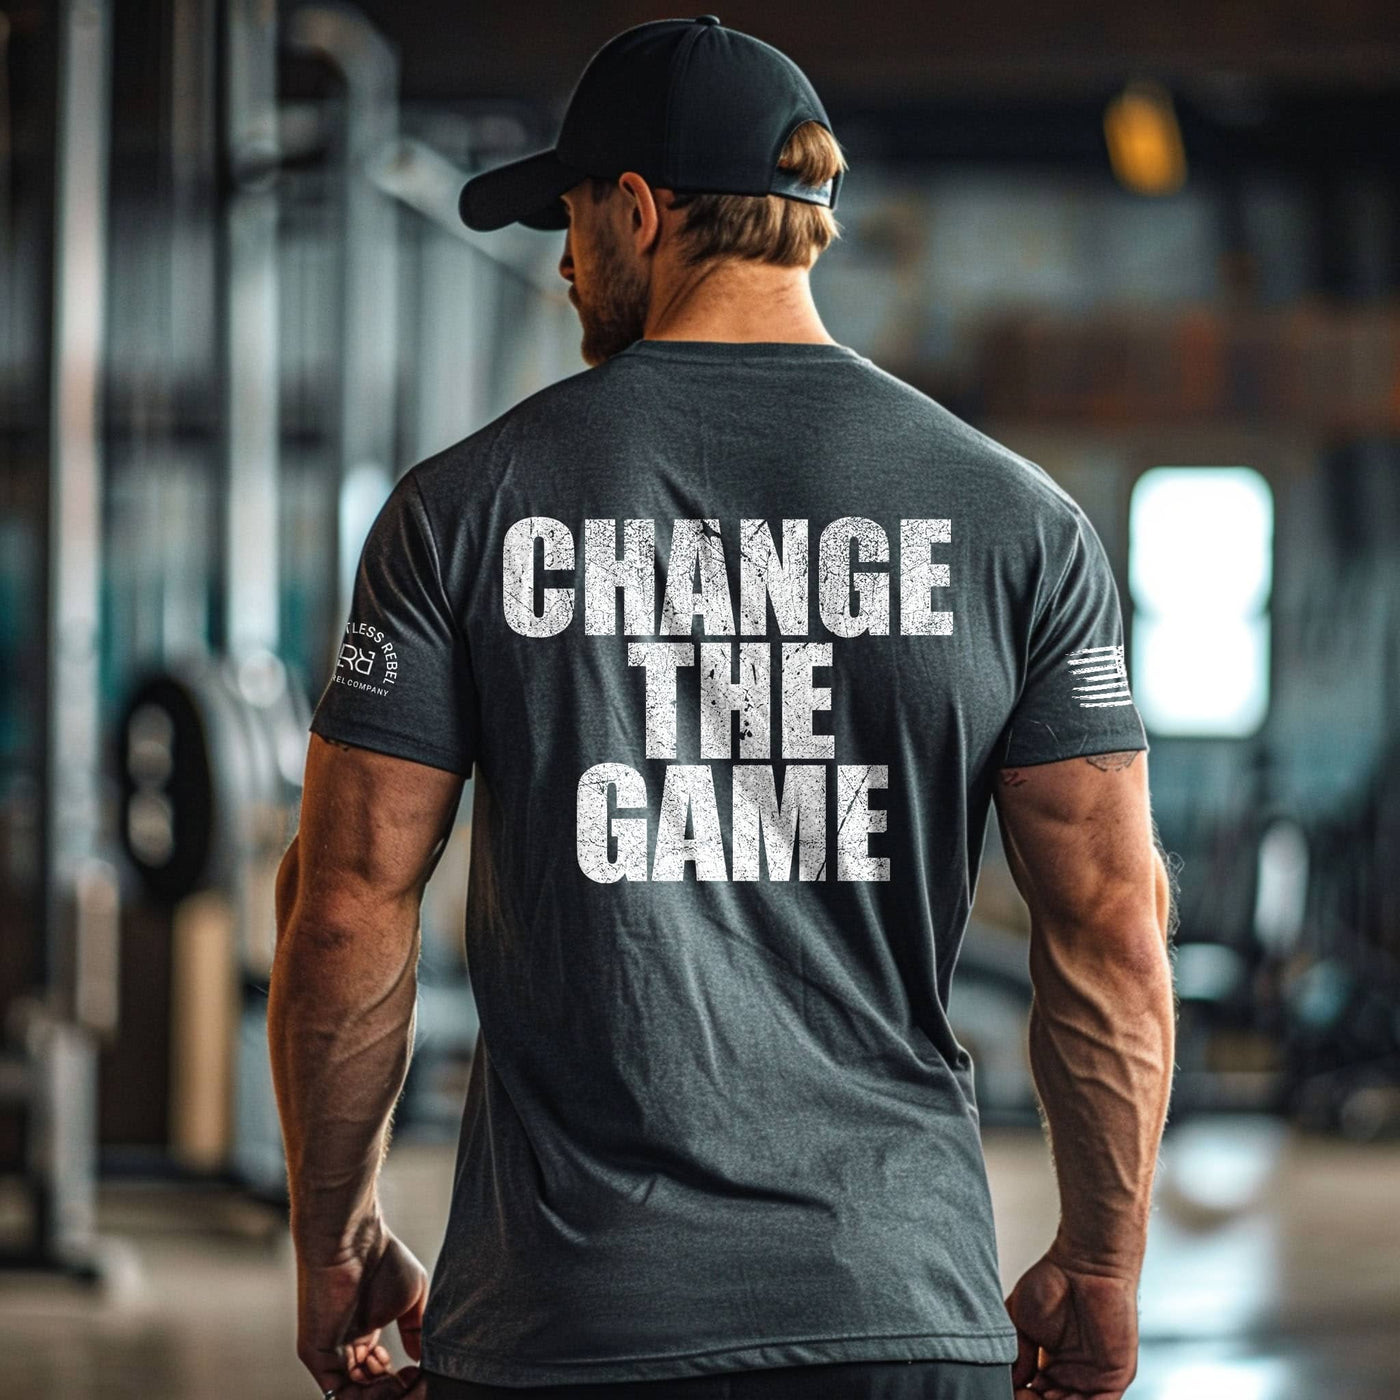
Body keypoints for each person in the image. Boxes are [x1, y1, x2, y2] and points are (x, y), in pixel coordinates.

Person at [268, 15, 1176, 1400]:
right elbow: (1113, 925)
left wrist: (335, 1242)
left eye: (574, 221)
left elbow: (344, 908)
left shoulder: (461, 510)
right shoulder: (1022, 527)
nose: (565, 265)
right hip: (892, 1313)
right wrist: (1103, 1263)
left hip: (568, 1327)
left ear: (639, 211)